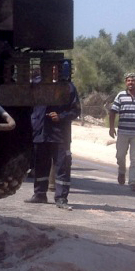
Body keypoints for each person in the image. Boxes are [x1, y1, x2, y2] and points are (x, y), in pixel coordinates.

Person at [26, 74, 81, 210]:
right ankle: (39, 194)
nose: (53, 69)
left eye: (57, 67)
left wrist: (61, 116)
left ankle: (61, 198)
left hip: (60, 134)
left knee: (62, 166)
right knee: (40, 164)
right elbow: (27, 107)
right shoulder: (36, 84)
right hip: (40, 133)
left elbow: (75, 110)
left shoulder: (68, 87)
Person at [108, 72, 135, 192]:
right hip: (123, 132)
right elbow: (113, 112)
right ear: (125, 82)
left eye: (133, 81)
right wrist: (111, 127)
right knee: (120, 156)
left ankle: (133, 182)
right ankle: (121, 171)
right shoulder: (121, 95)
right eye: (128, 80)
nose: (131, 83)